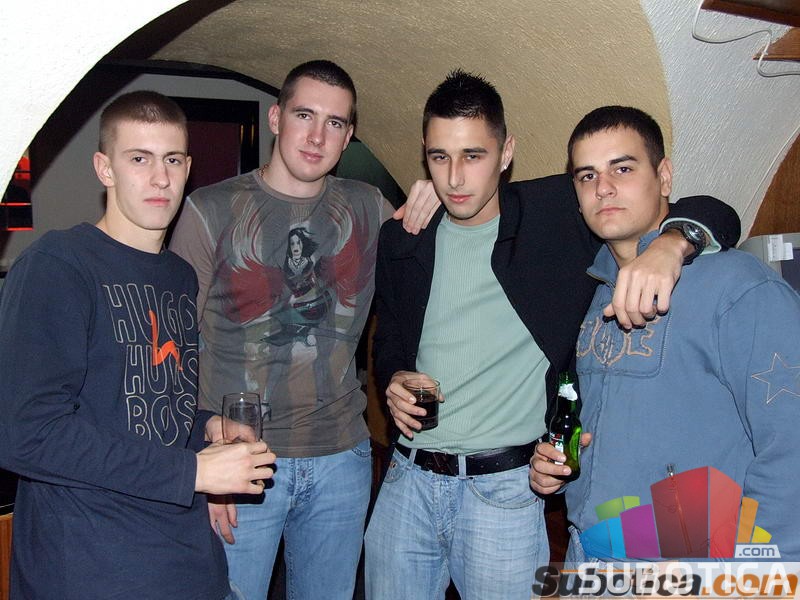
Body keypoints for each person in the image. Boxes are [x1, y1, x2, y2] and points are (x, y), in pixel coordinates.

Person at [365, 71, 740, 600]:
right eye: (439, 157)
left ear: (506, 153)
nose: (454, 178)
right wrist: (395, 377)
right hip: (407, 481)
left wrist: (670, 243)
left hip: (506, 489)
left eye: (473, 155)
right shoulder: (404, 237)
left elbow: (717, 211)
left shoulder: (558, 212)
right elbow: (388, 339)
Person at [169, 60, 439, 600]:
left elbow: (435, 278)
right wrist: (199, 463)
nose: (317, 136)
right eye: (304, 115)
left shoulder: (369, 207)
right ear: (276, 118)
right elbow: (171, 356)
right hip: (241, 462)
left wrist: (437, 202)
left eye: (334, 123)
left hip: (341, 459)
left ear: (349, 135)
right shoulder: (210, 210)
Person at [0, 90, 275, 599]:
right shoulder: (58, 266)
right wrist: (193, 470)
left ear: (187, 168)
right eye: (139, 159)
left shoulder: (178, 276)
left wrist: (205, 426)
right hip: (90, 569)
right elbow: (28, 434)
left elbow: (142, 404)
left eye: (172, 160)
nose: (160, 178)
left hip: (184, 560)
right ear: (105, 169)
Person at [530, 105, 800, 562]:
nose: (603, 187)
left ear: (665, 177)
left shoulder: (738, 286)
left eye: (622, 168)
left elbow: (790, 446)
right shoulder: (593, 291)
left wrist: (755, 573)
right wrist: (558, 465)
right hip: (588, 550)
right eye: (587, 176)